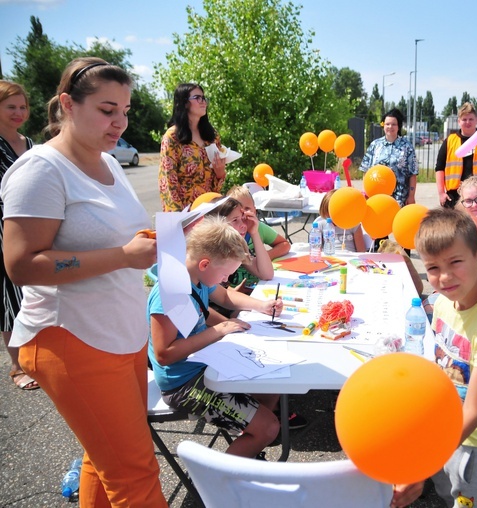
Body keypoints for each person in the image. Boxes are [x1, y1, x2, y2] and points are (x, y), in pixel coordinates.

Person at [1, 57, 166, 506]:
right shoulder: (41, 170)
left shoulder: (109, 164)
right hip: (72, 338)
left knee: (102, 458)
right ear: (68, 105)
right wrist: (123, 255)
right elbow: (20, 264)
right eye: (107, 109)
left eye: (126, 110)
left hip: (120, 332)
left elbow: (117, 237)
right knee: (135, 473)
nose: (120, 122)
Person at [391, 208, 477, 508]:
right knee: (444, 491)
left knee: (465, 499)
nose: (445, 277)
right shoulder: (443, 304)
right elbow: (442, 363)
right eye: (433, 267)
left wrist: (427, 459)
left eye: (455, 262)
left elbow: (474, 412)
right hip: (444, 428)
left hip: (473, 444)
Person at [148, 217, 286, 459]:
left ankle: (250, 442)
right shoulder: (168, 294)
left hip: (205, 362)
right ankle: (216, 479)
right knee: (269, 427)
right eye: (225, 274)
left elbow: (225, 298)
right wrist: (219, 331)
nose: (226, 280)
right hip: (183, 384)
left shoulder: (195, 276)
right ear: (205, 264)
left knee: (272, 384)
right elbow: (164, 354)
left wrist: (262, 306)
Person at [0, 80, 36, 391]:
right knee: (10, 299)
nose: (18, 112)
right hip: (3, 228)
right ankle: (16, 366)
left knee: (32, 295)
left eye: (22, 107)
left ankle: (34, 357)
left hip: (33, 226)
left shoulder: (30, 143)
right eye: (10, 106)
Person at [158, 82, 226, 211]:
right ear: (184, 103)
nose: (203, 101)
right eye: (197, 97)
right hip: (185, 212)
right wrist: (179, 218)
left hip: (210, 209)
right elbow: (168, 182)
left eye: (204, 97)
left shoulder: (212, 136)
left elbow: (216, 183)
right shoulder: (172, 137)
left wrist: (220, 173)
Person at [435, 102, 477, 209]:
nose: (467, 122)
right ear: (458, 121)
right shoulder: (449, 141)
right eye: (464, 119)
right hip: (453, 196)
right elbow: (439, 168)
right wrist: (441, 193)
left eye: (471, 119)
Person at [206, 197, 275, 288]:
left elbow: (267, 274)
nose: (243, 225)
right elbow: (219, 296)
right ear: (217, 222)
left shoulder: (235, 246)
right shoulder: (210, 251)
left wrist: (254, 232)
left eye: (243, 219)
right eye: (235, 220)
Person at [359, 108, 418, 208]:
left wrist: (411, 196)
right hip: (376, 196)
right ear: (383, 125)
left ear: (398, 126)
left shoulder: (407, 147)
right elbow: (366, 170)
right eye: (387, 124)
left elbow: (413, 174)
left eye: (394, 124)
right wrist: (367, 190)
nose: (390, 127)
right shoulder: (375, 145)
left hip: (399, 199)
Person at [226, 185, 291, 260]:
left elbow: (285, 245)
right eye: (238, 210)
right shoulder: (226, 230)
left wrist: (265, 257)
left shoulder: (259, 227)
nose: (243, 213)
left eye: (247, 209)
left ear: (255, 210)